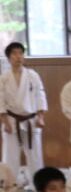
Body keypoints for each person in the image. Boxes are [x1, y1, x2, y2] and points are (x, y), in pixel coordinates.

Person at [0, 42, 47, 178]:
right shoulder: (4, 78)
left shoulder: (33, 75)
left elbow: (40, 95)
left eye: (20, 53)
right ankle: (10, 184)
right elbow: (1, 100)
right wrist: (5, 122)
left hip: (31, 120)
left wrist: (41, 117)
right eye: (14, 53)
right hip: (11, 120)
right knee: (10, 155)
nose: (18, 56)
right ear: (9, 58)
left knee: (35, 155)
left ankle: (37, 184)